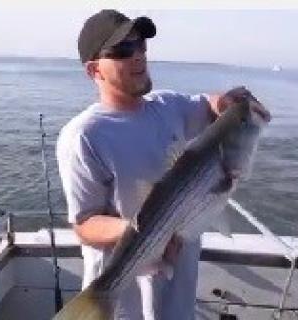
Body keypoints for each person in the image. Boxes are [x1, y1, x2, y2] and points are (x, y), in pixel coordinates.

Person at [56, 9, 258, 320]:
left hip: (177, 296)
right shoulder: (84, 135)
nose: (138, 56)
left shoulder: (168, 105)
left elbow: (209, 105)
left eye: (141, 46)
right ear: (94, 70)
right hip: (124, 303)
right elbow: (84, 225)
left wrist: (231, 103)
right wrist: (148, 231)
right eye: (123, 51)